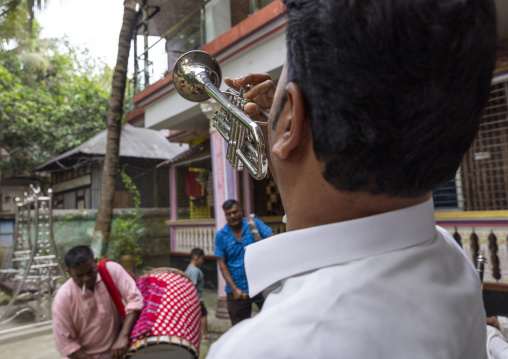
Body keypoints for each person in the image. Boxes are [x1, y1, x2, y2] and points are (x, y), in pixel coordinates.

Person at [207, 0, 497, 358]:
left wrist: (296, 137)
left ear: (290, 120)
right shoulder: (452, 259)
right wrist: (295, 140)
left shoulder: (265, 348)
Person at [52, 245, 143, 359]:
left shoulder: (110, 271)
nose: (86, 279)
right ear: (69, 273)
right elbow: (66, 344)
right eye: (79, 276)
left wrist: (123, 337)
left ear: (95, 262)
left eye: (90, 272)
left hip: (119, 353)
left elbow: (135, 299)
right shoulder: (63, 298)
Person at [214, 199, 273, 325]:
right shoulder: (221, 235)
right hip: (237, 290)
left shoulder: (253, 224)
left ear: (241, 211)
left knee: (273, 319)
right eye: (228, 214)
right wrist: (234, 289)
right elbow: (222, 265)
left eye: (235, 212)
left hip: (262, 284)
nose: (232, 216)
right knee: (239, 328)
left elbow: (272, 239)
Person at [185, 247, 217, 341]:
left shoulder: (189, 268)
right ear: (196, 257)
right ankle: (205, 335)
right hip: (197, 298)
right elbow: (193, 285)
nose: (203, 260)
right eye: (202, 258)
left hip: (192, 298)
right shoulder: (195, 271)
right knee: (203, 314)